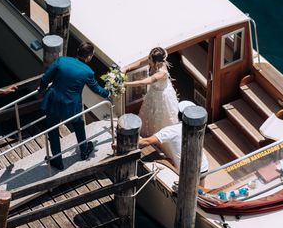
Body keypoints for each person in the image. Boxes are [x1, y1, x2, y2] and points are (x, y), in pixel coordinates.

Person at [38, 42, 110, 170]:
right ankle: (84, 150)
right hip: (71, 105)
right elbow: (97, 89)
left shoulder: (61, 60)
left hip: (53, 100)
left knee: (53, 130)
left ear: (77, 51)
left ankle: (57, 160)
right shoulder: (88, 72)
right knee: (78, 124)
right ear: (88, 57)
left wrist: (41, 90)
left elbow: (45, 79)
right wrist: (108, 92)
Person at [138, 100, 209, 186]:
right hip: (204, 167)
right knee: (201, 191)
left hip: (188, 172)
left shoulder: (172, 130)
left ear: (179, 115)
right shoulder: (198, 128)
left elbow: (147, 141)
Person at [125, 47, 178, 137]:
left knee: (160, 118)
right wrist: (127, 68)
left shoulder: (162, 73)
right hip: (153, 92)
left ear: (157, 62)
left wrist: (125, 84)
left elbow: (144, 82)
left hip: (162, 96)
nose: (148, 60)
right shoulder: (155, 59)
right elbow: (141, 62)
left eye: (150, 59)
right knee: (148, 113)